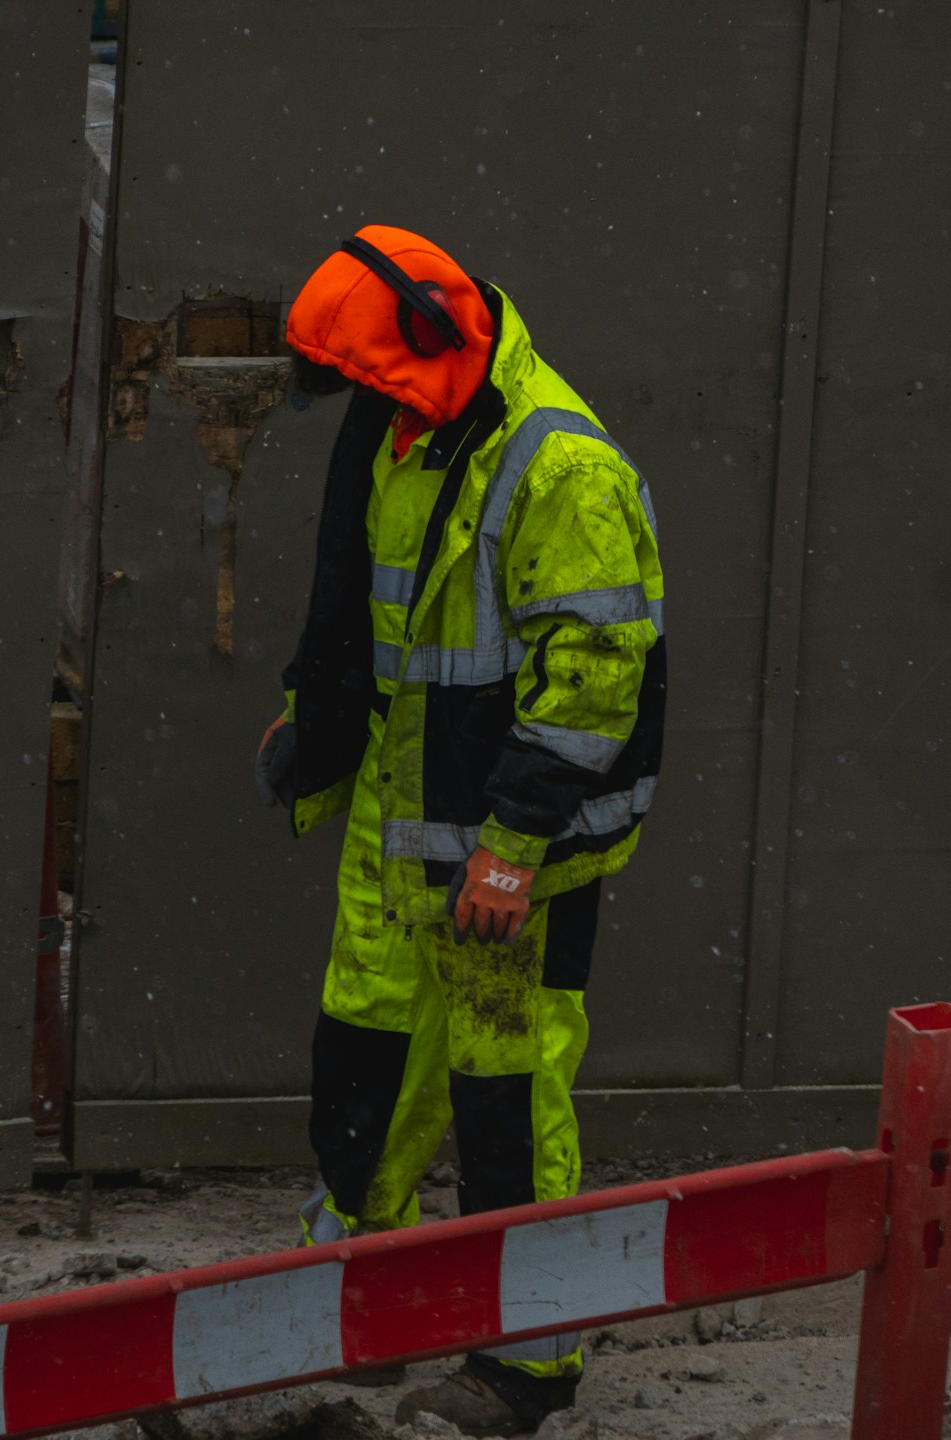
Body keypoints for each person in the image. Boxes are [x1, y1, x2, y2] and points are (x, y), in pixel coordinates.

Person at [256, 224, 667, 1436]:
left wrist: (514, 845)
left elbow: (594, 672)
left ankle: (524, 1367)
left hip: (502, 861)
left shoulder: (562, 469)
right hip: (401, 832)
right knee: (363, 1061)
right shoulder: (410, 424)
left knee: (506, 1093)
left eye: (379, 379)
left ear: (437, 341)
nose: (365, 405)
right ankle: (356, 1304)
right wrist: (309, 716)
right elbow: (369, 610)